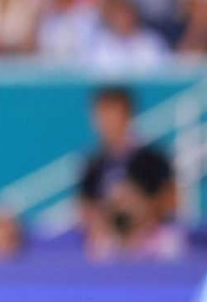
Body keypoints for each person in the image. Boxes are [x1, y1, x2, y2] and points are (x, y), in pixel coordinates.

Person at [77, 87, 184, 262]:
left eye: (113, 115)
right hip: (110, 243)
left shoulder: (153, 158)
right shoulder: (93, 164)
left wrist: (140, 208)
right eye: (103, 115)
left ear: (128, 115)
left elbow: (171, 200)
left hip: (151, 242)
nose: (108, 122)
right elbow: (85, 208)